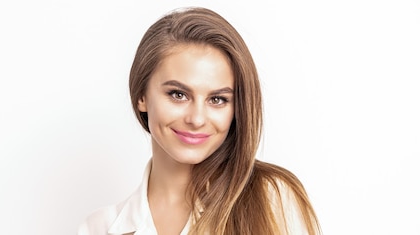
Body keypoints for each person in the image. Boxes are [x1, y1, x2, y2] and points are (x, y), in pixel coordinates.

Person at [78, 7, 321, 235]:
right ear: (141, 94)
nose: (196, 119)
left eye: (217, 99)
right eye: (178, 95)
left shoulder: (272, 197)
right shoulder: (98, 228)